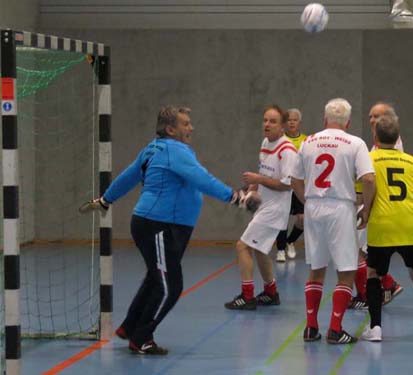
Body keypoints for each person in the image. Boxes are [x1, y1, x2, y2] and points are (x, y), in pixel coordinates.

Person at [89, 106, 242, 355]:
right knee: (170, 285)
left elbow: (129, 176)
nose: (191, 128)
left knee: (155, 278)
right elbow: (201, 178)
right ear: (171, 129)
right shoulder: (174, 151)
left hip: (158, 225)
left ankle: (130, 327)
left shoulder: (154, 148)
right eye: (185, 124)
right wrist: (236, 197)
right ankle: (141, 338)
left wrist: (107, 199)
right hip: (159, 226)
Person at [291, 98, 375, 344]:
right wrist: (366, 209)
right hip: (340, 207)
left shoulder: (308, 141)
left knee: (316, 270)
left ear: (324, 118)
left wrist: (307, 201)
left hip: (314, 206)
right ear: (347, 122)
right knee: (346, 271)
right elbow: (368, 179)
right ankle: (336, 329)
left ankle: (311, 327)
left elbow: (295, 179)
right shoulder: (354, 142)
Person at [359, 114, 413, 342]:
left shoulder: (369, 159)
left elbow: (360, 192)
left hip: (381, 226)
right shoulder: (411, 161)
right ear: (397, 138)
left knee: (374, 274)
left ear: (375, 136)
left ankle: (375, 328)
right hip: (410, 227)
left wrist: (364, 211)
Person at [224, 105, 298, 310]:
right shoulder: (266, 142)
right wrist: (251, 189)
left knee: (242, 246)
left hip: (275, 209)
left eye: (272, 121)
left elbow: (287, 184)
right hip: (264, 205)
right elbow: (263, 170)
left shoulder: (287, 151)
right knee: (259, 249)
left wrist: (259, 179)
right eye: (265, 120)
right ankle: (271, 293)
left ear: (283, 126)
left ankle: (247, 297)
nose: (267, 124)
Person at [349, 102, 404, 310]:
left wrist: (365, 203)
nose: (373, 120)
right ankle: (388, 284)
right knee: (364, 252)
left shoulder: (388, 144)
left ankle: (366, 294)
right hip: (375, 204)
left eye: (378, 116)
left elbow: (374, 177)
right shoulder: (376, 143)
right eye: (371, 116)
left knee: (357, 251)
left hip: (378, 206)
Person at [276, 108, 308, 262]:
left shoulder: (307, 141)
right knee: (281, 219)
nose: (292, 122)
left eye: (294, 120)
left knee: (302, 218)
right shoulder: (280, 140)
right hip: (284, 185)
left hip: (300, 185)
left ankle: (290, 242)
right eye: (289, 120)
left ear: (299, 123)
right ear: (284, 123)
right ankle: (280, 250)